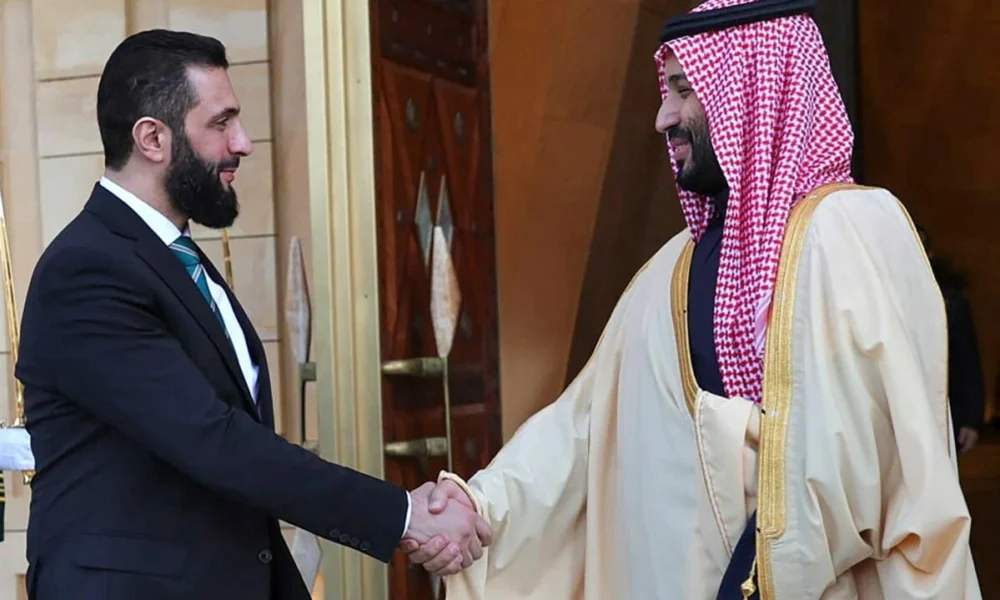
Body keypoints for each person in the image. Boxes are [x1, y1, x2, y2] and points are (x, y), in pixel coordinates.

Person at [400, 0, 981, 598]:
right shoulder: (674, 265)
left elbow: (861, 457)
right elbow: (586, 427)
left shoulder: (848, 231)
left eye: (684, 90)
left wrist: (751, 578)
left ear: (749, 93)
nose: (662, 118)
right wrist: (480, 505)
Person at [15, 30, 489, 600]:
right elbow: (213, 439)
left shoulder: (176, 260)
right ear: (152, 138)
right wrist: (402, 515)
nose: (243, 144)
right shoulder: (86, 270)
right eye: (221, 123)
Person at [917, 226, 985, 456]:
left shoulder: (951, 303)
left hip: (944, 412)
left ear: (929, 254)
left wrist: (972, 420)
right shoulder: (879, 299)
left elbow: (968, 362)